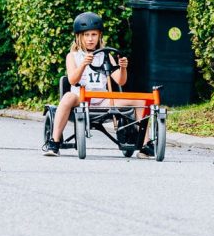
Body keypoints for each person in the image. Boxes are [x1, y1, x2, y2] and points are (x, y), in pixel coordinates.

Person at [42, 11, 152, 158]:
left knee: (141, 101)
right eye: (86, 35)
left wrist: (123, 67)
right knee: (68, 97)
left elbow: (120, 81)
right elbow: (72, 80)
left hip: (103, 99)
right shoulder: (73, 56)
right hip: (80, 98)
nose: (90, 39)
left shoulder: (106, 55)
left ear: (99, 35)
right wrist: (83, 65)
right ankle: (54, 142)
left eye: (93, 35)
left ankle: (145, 145)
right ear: (79, 36)